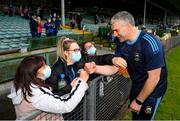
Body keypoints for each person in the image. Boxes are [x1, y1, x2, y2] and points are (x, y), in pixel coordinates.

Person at [110, 11, 167, 120]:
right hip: (136, 88)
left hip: (153, 92)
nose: (114, 34)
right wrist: (97, 67)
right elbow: (114, 68)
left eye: (116, 30)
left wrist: (138, 101)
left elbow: (154, 78)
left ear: (128, 26)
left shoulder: (150, 43)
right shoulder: (121, 45)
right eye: (113, 31)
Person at [8, 56, 89, 120]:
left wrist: (71, 86)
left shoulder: (21, 84)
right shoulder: (35, 93)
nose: (47, 67)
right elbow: (65, 105)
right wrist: (81, 82)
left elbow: (52, 99)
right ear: (33, 72)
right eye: (43, 67)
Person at [46, 36, 127, 96]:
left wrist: (113, 59)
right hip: (67, 110)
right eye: (75, 50)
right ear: (66, 52)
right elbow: (53, 93)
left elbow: (100, 58)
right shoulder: (55, 71)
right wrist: (71, 86)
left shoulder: (81, 60)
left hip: (82, 103)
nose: (78, 52)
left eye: (79, 49)